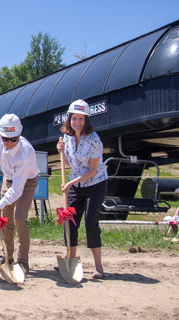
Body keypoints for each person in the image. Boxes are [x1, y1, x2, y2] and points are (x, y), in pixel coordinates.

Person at [0, 114, 39, 274]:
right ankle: (7, 256)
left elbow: (17, 190)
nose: (9, 143)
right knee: (5, 220)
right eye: (5, 139)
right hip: (8, 179)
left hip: (26, 183)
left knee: (19, 219)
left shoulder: (25, 154)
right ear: (1, 135)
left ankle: (23, 261)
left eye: (13, 139)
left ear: (19, 135)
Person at [56, 99, 108, 279]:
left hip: (95, 184)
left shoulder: (94, 139)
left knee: (90, 222)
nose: (77, 122)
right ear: (69, 119)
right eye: (74, 119)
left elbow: (93, 170)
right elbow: (70, 164)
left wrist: (70, 183)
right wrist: (60, 152)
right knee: (69, 220)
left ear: (86, 120)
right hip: (76, 185)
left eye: (81, 119)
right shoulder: (68, 138)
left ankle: (98, 267)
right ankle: (71, 258)